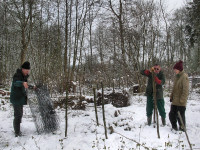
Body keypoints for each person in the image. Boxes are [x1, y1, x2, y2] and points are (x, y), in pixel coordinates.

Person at [10, 61, 35, 137]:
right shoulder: (17, 75)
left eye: (28, 70)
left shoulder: (24, 76)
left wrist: (32, 87)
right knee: (18, 115)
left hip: (20, 98)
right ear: (22, 69)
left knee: (20, 114)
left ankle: (17, 129)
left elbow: (25, 85)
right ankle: (17, 133)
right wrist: (22, 83)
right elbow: (16, 83)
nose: (27, 72)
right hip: (16, 98)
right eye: (26, 70)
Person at [169, 60, 189, 131]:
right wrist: (171, 96)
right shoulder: (177, 77)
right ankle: (174, 127)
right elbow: (174, 88)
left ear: (179, 69)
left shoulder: (184, 77)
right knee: (171, 115)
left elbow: (185, 90)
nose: (174, 71)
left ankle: (182, 129)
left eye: (175, 69)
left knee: (180, 116)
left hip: (181, 101)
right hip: (175, 100)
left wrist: (182, 100)